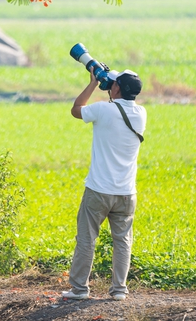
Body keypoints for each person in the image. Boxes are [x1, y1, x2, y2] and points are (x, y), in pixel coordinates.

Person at [61, 67, 146, 301]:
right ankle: (119, 290)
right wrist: (113, 83)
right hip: (127, 193)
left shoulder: (102, 110)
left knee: (87, 239)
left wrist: (92, 83)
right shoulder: (141, 113)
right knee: (123, 242)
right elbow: (121, 101)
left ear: (116, 88)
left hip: (98, 191)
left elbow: (76, 110)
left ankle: (79, 289)